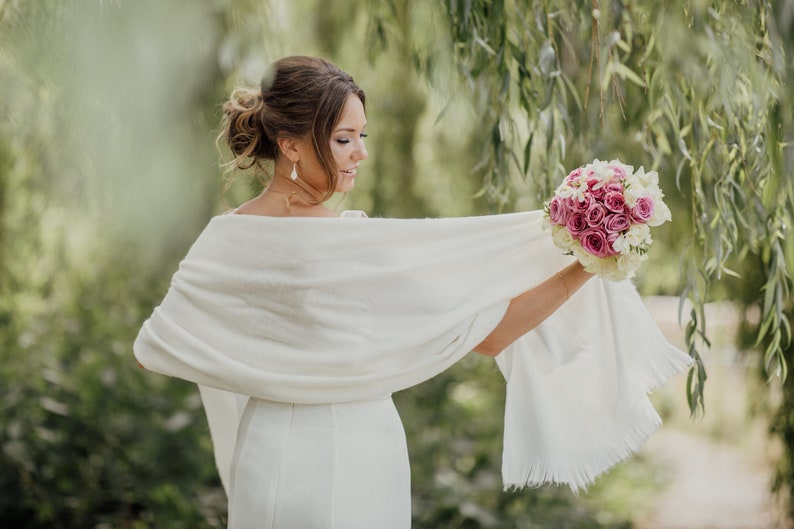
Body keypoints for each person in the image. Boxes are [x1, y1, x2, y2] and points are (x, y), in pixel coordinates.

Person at [134, 55, 691, 529]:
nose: (360, 154)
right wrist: (588, 265)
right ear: (291, 145)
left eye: (363, 137)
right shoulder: (348, 246)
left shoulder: (227, 239)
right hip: (345, 443)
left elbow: (165, 342)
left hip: (282, 444)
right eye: (344, 139)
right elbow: (492, 337)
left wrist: (579, 255)